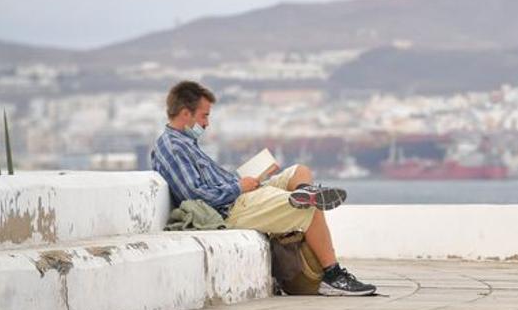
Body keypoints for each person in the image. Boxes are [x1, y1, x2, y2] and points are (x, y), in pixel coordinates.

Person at [149, 80, 375, 296]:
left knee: (299, 172)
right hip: (232, 208)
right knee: (312, 205)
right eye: (204, 116)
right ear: (185, 113)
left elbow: (210, 183)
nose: (207, 123)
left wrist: (248, 179)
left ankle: (302, 193)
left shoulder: (185, 143)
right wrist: (239, 186)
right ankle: (333, 277)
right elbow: (196, 194)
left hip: (240, 194)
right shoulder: (173, 148)